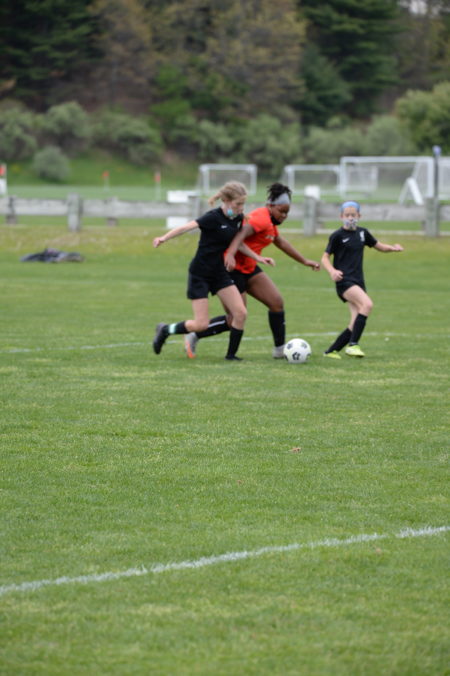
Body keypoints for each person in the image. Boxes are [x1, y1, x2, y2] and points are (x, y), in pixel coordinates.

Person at [183, 182, 320, 359]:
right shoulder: (260, 218)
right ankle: (195, 334)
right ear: (270, 206)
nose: (284, 216)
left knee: (276, 302)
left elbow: (280, 242)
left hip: (250, 268)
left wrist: (305, 261)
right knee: (235, 318)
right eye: (281, 211)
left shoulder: (270, 222)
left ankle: (279, 349)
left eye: (287, 212)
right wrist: (230, 254)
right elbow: (239, 235)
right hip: (232, 270)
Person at [152, 181, 274, 361]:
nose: (241, 208)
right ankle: (165, 329)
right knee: (200, 324)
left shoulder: (237, 218)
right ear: (225, 201)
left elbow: (238, 244)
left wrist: (258, 258)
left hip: (219, 273)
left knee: (240, 313)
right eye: (237, 204)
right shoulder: (212, 217)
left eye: (243, 204)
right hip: (200, 274)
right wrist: (164, 238)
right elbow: (186, 227)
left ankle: (231, 356)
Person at [321, 200, 404, 359]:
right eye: (347, 215)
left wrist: (393, 248)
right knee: (367, 304)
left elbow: (380, 246)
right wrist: (332, 271)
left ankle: (331, 351)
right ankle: (353, 345)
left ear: (359, 216)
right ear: (341, 216)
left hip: (358, 281)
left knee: (354, 322)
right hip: (344, 281)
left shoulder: (363, 233)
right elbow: (325, 257)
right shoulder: (337, 236)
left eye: (353, 215)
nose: (350, 218)